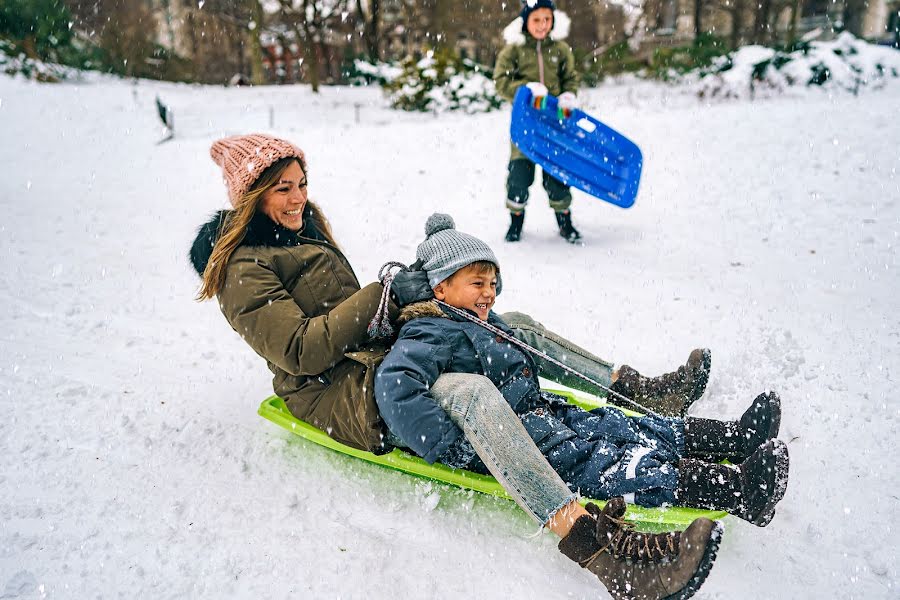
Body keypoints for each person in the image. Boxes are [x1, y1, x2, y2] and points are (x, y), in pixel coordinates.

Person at [191, 133, 727, 600]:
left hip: (372, 357)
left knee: (509, 321)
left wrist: (415, 299)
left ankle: (633, 390)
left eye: (301, 182)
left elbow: (348, 316)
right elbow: (302, 351)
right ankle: (595, 545)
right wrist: (383, 295)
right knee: (470, 391)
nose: (298, 197)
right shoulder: (244, 270)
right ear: (251, 197)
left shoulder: (303, 233)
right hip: (340, 394)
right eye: (282, 188)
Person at [374, 213, 790, 523]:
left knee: (621, 427)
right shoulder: (429, 331)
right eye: (477, 284)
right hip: (516, 441)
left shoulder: (472, 317)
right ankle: (737, 492)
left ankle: (734, 439)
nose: (489, 294)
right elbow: (395, 386)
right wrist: (452, 448)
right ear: (441, 286)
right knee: (612, 465)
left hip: (542, 415)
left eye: (493, 283)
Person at [493, 0, 581, 243]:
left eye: (547, 19)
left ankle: (565, 222)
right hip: (526, 127)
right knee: (519, 176)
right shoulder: (514, 50)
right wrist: (524, 90)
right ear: (525, 21)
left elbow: (570, 78)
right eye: (536, 20)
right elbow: (500, 81)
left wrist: (568, 95)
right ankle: (516, 222)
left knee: (557, 177)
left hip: (555, 126)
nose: (543, 25)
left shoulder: (561, 49)